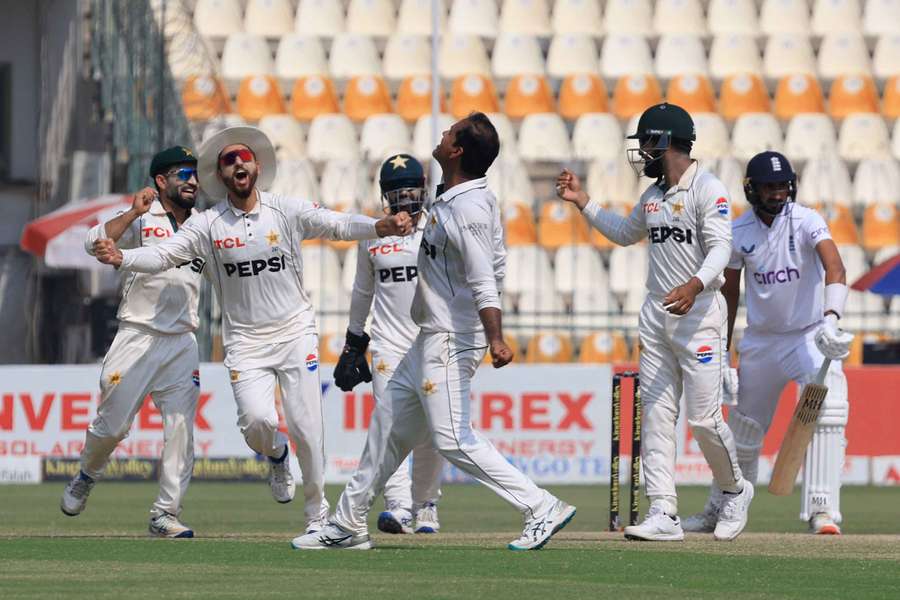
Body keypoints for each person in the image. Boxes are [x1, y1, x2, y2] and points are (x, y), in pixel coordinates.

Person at [92, 127, 412, 535]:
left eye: (244, 157)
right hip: (245, 342)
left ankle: (317, 516)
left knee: (308, 429)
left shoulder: (285, 210)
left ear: (257, 166)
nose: (238, 163)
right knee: (258, 423)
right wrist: (122, 257)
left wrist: (379, 227)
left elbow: (337, 223)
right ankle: (277, 455)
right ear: (221, 176)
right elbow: (163, 255)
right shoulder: (208, 224)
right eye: (228, 161)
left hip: (295, 332)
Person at [292, 112, 576, 552]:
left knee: (452, 438)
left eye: (449, 133)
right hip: (430, 335)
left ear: (457, 150)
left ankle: (540, 506)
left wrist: (495, 337)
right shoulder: (454, 198)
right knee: (387, 430)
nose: (441, 135)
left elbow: (484, 278)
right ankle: (348, 522)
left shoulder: (469, 208)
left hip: (451, 337)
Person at [556, 103, 753, 542]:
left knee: (703, 419)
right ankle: (663, 510)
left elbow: (722, 250)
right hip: (656, 317)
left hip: (700, 317)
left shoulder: (708, 189)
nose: (642, 152)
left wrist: (695, 285)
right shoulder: (652, 197)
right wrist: (583, 201)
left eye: (646, 143)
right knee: (658, 415)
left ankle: (735, 489)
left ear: (665, 141)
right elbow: (625, 233)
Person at [682, 151, 853, 535]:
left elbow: (835, 267)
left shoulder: (808, 220)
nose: (777, 193)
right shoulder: (740, 232)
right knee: (744, 430)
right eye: (768, 187)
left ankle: (822, 511)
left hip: (810, 335)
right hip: (761, 342)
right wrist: (723, 357)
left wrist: (831, 319)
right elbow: (727, 294)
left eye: (782, 185)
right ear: (752, 189)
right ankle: (720, 510)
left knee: (830, 409)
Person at [61, 146, 204, 538]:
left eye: (194, 173)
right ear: (161, 181)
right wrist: (132, 212)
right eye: (183, 173)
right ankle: (88, 473)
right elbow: (95, 242)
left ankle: (165, 513)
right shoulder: (144, 216)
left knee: (180, 429)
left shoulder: (205, 224)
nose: (192, 180)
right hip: (136, 335)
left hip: (181, 342)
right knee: (112, 428)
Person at [333, 153, 445, 535]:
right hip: (388, 344)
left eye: (411, 190)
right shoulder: (375, 233)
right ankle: (398, 506)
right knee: (388, 423)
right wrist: (353, 342)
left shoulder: (438, 226)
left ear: (424, 190)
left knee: (433, 425)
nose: (404, 198)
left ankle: (425, 504)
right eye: (396, 192)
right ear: (386, 195)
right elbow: (363, 290)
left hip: (429, 340)